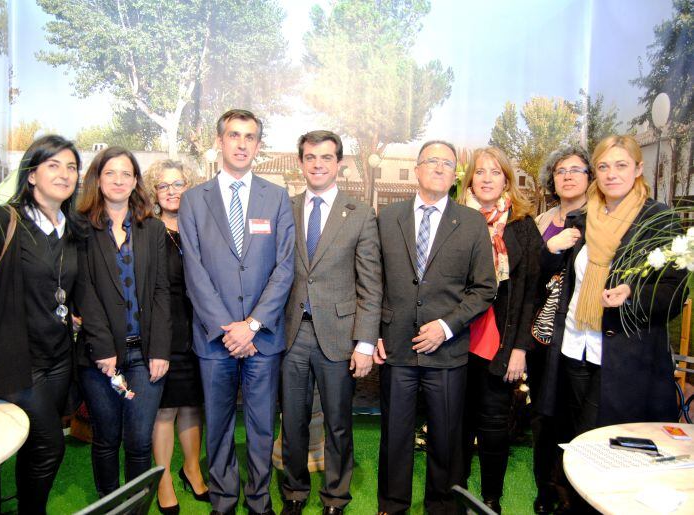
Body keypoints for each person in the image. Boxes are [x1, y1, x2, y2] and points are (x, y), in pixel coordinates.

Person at [539, 135, 686, 509]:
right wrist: (548, 252)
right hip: (574, 346)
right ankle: (569, 501)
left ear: (638, 169)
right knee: (573, 435)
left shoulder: (659, 220)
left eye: (621, 165)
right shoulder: (582, 218)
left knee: (597, 442)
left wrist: (632, 294)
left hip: (622, 354)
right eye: (603, 166)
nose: (611, 173)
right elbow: (556, 279)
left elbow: (674, 292)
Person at [0, 135, 85, 514]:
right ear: (31, 175)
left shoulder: (72, 229)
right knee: (51, 445)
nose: (64, 174)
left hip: (59, 359)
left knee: (37, 444)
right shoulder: (1, 221)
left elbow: (62, 287)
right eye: (53, 165)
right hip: (17, 360)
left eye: (71, 167)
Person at [178, 109, 295, 515]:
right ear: (219, 141)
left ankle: (259, 501)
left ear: (258, 146)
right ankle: (224, 499)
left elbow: (284, 267)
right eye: (234, 135)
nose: (242, 143)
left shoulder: (276, 197)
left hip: (263, 337)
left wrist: (252, 325)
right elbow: (193, 269)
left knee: (263, 426)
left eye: (250, 137)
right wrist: (227, 329)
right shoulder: (194, 199)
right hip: (215, 339)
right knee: (220, 426)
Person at [374, 140, 497, 515]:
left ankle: (443, 506)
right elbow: (374, 280)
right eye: (433, 161)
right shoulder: (387, 217)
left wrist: (445, 327)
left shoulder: (472, 222)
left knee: (446, 438)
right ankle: (392, 505)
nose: (441, 168)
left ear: (455, 174)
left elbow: (484, 288)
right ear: (417, 169)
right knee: (395, 436)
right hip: (395, 347)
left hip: (447, 351)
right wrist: (374, 334)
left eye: (448, 163)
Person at [280, 130, 382, 515]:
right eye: (310, 157)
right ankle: (294, 491)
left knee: (339, 424)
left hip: (339, 336)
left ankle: (336, 497)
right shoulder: (284, 208)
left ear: (339, 163)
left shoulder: (359, 214)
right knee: (293, 421)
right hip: (291, 333)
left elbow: (371, 285)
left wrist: (366, 342)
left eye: (326, 157)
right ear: (301, 162)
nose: (318, 164)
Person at [77, 146, 171, 497]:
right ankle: (109, 504)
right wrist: (102, 349)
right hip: (100, 359)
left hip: (145, 358)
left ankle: (134, 506)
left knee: (138, 440)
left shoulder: (153, 229)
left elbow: (162, 292)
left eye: (126, 174)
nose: (118, 180)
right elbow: (84, 292)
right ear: (98, 180)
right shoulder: (82, 230)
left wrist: (160, 350)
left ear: (135, 181)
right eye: (110, 173)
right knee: (106, 437)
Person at [458, 147, 540, 514]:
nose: (487, 178)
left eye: (495, 172)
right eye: (480, 172)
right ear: (470, 179)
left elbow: (531, 295)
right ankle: (453, 494)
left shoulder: (522, 225)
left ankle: (491, 497)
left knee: (494, 428)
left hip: (501, 343)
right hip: (456, 341)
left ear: (506, 179)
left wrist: (520, 348)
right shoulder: (455, 219)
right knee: (455, 425)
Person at [528, 145, 592, 514]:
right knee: (544, 416)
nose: (567, 176)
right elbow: (527, 279)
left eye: (576, 169)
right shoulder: (541, 221)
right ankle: (546, 490)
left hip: (581, 336)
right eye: (560, 170)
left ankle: (574, 493)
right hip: (541, 335)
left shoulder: (598, 219)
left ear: (589, 177)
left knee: (576, 417)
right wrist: (547, 249)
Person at [144, 159, 208, 513]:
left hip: (199, 331)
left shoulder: (198, 227)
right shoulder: (147, 230)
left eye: (178, 184)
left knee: (192, 406)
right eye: (163, 185)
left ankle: (192, 467)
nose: (171, 191)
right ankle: (164, 477)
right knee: (165, 410)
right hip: (163, 332)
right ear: (154, 192)